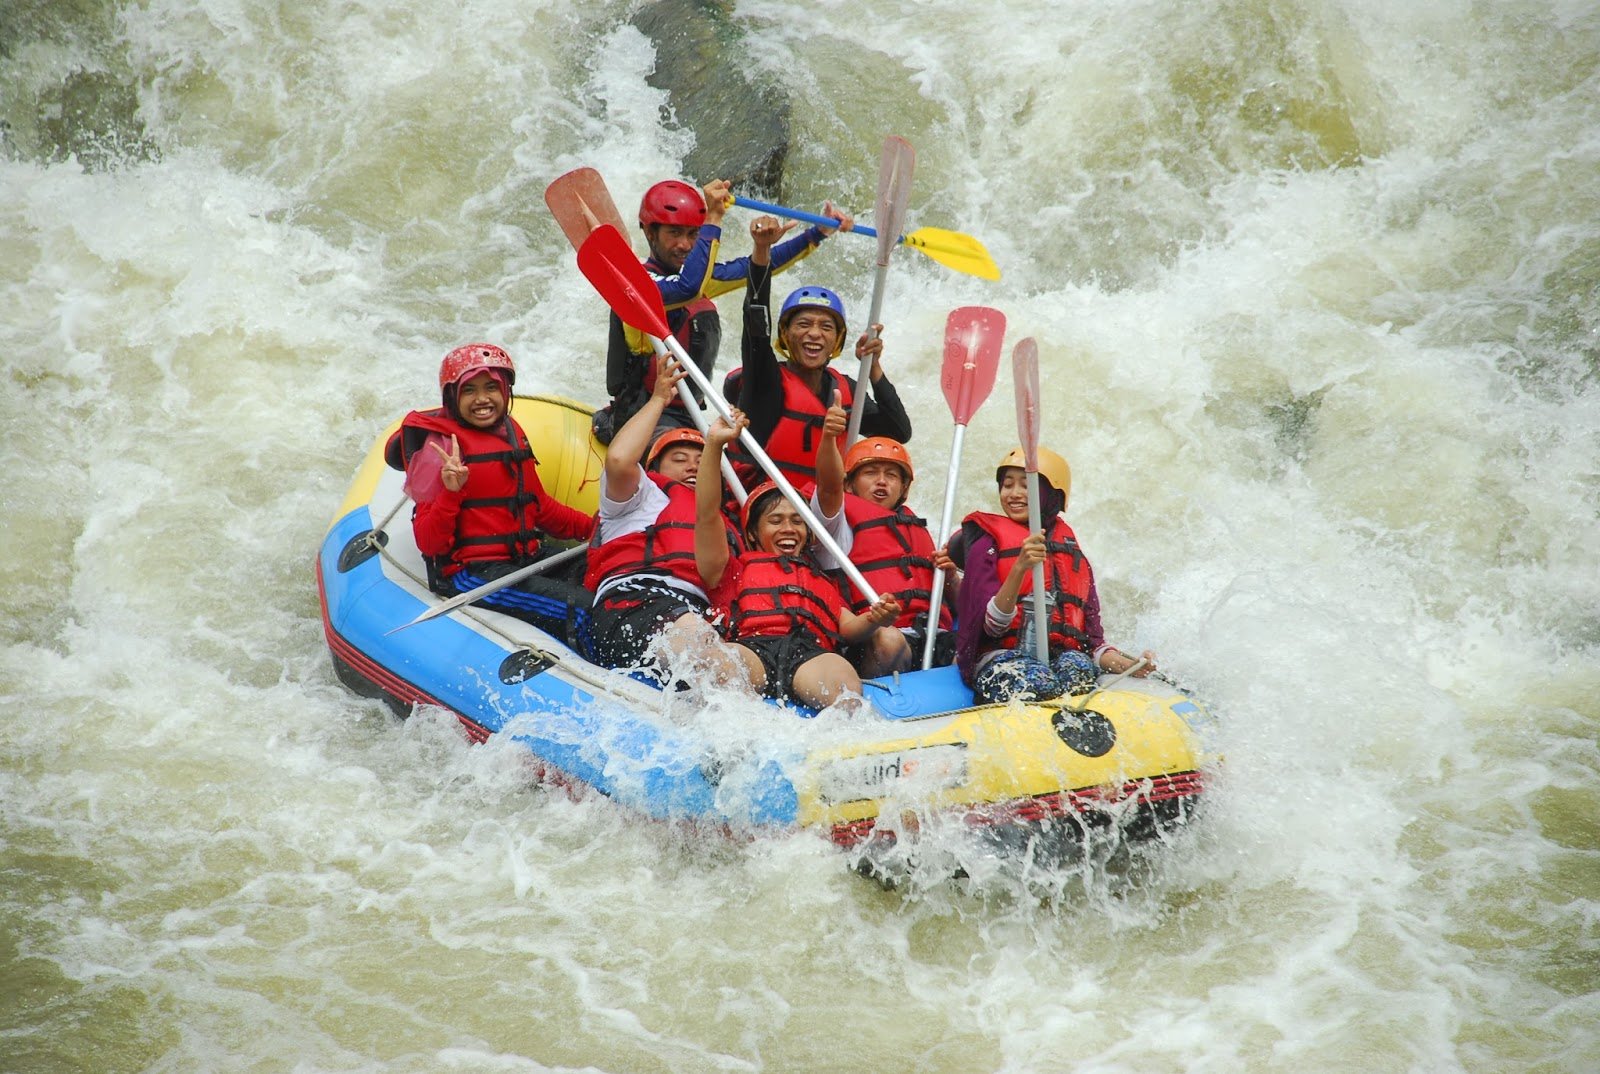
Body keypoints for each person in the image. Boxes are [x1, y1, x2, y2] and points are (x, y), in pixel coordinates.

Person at [593, 178, 849, 445]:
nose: (685, 245)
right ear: (648, 232)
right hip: (642, 414)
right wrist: (713, 218)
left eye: (693, 234)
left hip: (687, 416)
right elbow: (686, 289)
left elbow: (754, 268)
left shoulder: (695, 278)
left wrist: (816, 234)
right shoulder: (634, 284)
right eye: (674, 233)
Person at [386, 343, 596, 643]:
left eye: (491, 388)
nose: (482, 399)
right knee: (585, 608)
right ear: (452, 396)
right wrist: (450, 491)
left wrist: (598, 530)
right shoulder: (441, 449)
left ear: (505, 390)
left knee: (609, 572)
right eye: (469, 390)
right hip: (475, 574)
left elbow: (541, 507)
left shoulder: (510, 431)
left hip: (527, 557)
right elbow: (430, 543)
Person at [695, 408, 902, 710]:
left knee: (844, 686)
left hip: (811, 655)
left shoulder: (821, 579)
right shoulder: (730, 569)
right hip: (752, 649)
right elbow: (706, 513)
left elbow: (849, 627)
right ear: (753, 534)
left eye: (796, 520)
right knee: (717, 662)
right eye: (776, 520)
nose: (788, 528)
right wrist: (714, 446)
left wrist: (875, 619)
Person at [580, 351, 742, 688]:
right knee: (708, 655)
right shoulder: (639, 497)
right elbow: (621, 459)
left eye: (701, 460)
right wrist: (657, 399)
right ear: (653, 470)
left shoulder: (725, 522)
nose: (692, 467)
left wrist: (718, 444)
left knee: (726, 658)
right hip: (634, 602)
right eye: (679, 459)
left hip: (695, 612)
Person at [952, 446, 1156, 703]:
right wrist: (1019, 568)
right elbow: (991, 627)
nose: (1014, 494)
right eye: (1007, 485)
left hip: (1059, 656)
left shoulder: (1073, 554)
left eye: (1026, 486)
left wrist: (1130, 665)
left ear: (1052, 495)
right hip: (1000, 656)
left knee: (1078, 671)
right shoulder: (987, 545)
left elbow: (1093, 643)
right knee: (1038, 682)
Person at [721, 217, 913, 490]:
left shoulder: (843, 388)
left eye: (826, 327)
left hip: (824, 515)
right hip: (766, 513)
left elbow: (898, 432)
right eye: (803, 324)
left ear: (837, 339)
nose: (814, 334)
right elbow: (755, 317)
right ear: (786, 335)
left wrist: (873, 368)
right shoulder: (765, 380)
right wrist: (761, 251)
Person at [832, 435, 959, 675]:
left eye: (891, 475)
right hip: (875, 636)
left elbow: (961, 606)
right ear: (849, 484)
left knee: (970, 649)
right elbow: (826, 490)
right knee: (889, 640)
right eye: (870, 473)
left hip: (932, 631)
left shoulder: (918, 529)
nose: (881, 482)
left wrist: (951, 577)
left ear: (903, 488)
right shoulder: (839, 527)